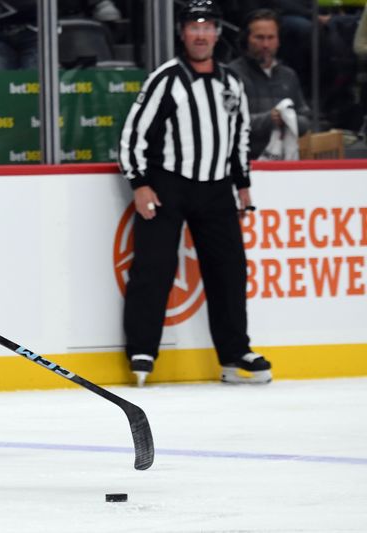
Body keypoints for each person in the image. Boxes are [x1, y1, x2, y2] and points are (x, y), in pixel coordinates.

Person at [117, 0, 272, 387]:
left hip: (217, 187)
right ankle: (142, 350)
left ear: (218, 33)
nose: (201, 34)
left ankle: (235, 354)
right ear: (182, 33)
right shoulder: (166, 79)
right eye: (193, 27)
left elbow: (240, 138)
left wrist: (243, 186)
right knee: (153, 268)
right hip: (168, 184)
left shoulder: (231, 81)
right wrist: (139, 183)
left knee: (230, 271)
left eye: (207, 27)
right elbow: (133, 134)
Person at [229, 9, 310, 160]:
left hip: (284, 163)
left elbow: (305, 120)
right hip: (244, 162)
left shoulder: (288, 75)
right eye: (259, 38)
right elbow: (229, 122)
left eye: (270, 37)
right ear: (247, 39)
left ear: (278, 41)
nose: (265, 44)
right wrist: (270, 119)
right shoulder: (232, 74)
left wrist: (290, 119)